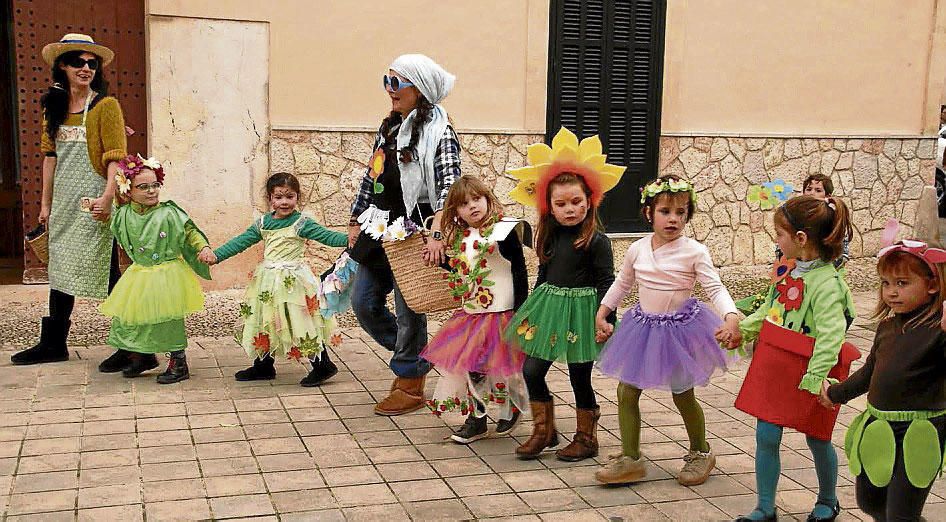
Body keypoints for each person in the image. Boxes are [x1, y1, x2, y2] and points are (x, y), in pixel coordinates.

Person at [593, 174, 741, 486]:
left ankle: (701, 452)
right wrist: (603, 311)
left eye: (680, 213)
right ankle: (631, 458)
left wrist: (729, 315)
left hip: (679, 333)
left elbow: (714, 287)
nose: (673, 219)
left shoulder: (694, 252)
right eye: (665, 211)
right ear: (649, 213)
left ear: (688, 216)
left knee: (683, 395)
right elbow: (623, 282)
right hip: (643, 329)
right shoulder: (637, 249)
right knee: (626, 390)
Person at [732, 195, 856, 522]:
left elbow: (831, 334)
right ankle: (764, 507)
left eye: (779, 235)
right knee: (766, 434)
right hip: (779, 364)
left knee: (818, 437)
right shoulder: (787, 271)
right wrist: (742, 330)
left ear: (800, 239)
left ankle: (829, 499)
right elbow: (770, 310)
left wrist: (816, 377)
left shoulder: (827, 283)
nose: (777, 241)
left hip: (815, 370)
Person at [348, 54, 460, 415]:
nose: (389, 90)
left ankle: (410, 381)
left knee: (410, 308)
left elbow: (449, 188)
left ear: (420, 89)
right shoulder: (389, 128)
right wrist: (355, 219)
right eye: (386, 81)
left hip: (416, 230)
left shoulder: (440, 133)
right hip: (380, 227)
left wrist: (438, 235)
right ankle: (417, 359)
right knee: (363, 302)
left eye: (396, 83)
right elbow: (372, 176)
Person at [504, 127, 624, 461]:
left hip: (584, 313)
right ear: (550, 207)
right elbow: (543, 276)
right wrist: (531, 311)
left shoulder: (597, 241)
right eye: (562, 203)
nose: (570, 209)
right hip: (550, 310)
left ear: (589, 202)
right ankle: (545, 431)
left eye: (576, 202)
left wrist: (606, 316)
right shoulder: (549, 238)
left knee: (579, 376)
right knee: (532, 371)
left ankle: (587, 437)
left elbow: (607, 281)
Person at [12, 34, 126, 366]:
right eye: (79, 62)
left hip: (95, 201)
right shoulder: (55, 107)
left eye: (93, 64)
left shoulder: (106, 106)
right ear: (62, 65)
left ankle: (131, 344)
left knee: (106, 271)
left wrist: (107, 197)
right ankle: (53, 344)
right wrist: (45, 204)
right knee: (60, 270)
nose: (86, 68)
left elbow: (115, 157)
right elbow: (50, 157)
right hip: (63, 202)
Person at [821, 238, 946, 522]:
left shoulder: (938, 331)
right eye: (886, 283)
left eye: (902, 283)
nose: (891, 292)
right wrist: (836, 393)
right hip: (878, 428)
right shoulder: (887, 327)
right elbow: (870, 372)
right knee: (870, 503)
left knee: (901, 514)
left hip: (921, 434)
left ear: (932, 285)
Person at [208, 173, 349, 387]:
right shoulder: (263, 223)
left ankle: (322, 365)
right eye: (279, 197)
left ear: (297, 198)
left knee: (300, 322)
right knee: (265, 319)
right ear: (270, 199)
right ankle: (263, 365)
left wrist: (351, 239)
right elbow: (241, 241)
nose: (284, 202)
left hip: (293, 284)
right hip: (267, 282)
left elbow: (327, 236)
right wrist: (216, 255)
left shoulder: (302, 223)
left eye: (289, 197)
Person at [419, 176, 529, 444]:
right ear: (456, 212)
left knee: (506, 367)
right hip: (473, 314)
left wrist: (523, 309)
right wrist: (441, 261)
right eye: (463, 204)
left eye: (477, 199)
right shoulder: (462, 238)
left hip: (503, 311)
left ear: (488, 199)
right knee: (473, 367)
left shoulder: (503, 231)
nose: (472, 207)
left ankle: (511, 408)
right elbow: (463, 271)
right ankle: (477, 419)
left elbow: (519, 270)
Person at [98, 155, 212, 384]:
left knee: (166, 320)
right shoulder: (123, 214)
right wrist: (97, 210)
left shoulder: (169, 213)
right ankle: (142, 356)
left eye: (155, 185)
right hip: (140, 272)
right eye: (144, 187)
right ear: (128, 190)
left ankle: (179, 363)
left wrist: (204, 247)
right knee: (130, 317)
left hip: (166, 273)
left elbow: (190, 232)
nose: (151, 191)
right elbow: (112, 223)